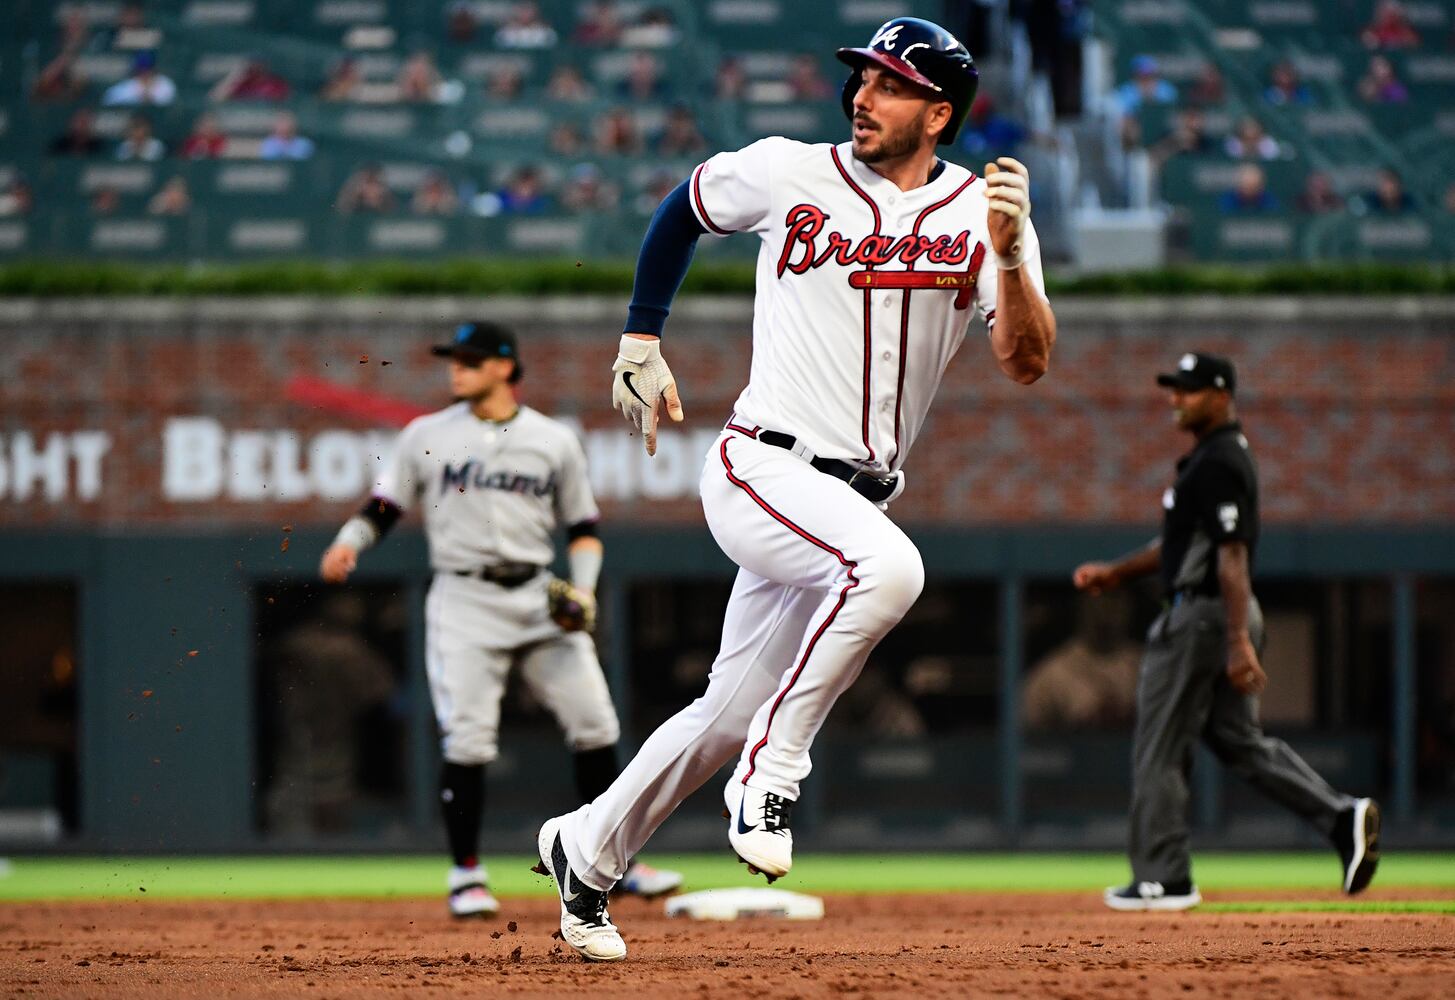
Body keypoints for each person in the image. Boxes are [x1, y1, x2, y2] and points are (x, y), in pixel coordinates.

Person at [532, 16, 1055, 962]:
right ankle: (773, 772)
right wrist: (639, 340)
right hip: (760, 464)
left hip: (850, 498)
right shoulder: (787, 170)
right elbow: (681, 209)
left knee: (722, 715)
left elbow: (1024, 361)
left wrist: (1013, 252)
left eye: (890, 84)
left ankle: (585, 850)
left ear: (938, 113)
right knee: (888, 573)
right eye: (861, 76)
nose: (862, 93)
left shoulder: (981, 215)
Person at [320, 321, 682, 918]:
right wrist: (349, 541)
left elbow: (584, 530)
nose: (456, 368)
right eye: (455, 359)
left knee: (595, 723)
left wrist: (584, 593)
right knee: (468, 737)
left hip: (539, 594)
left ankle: (616, 861)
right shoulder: (425, 435)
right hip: (465, 599)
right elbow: (383, 506)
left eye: (470, 359)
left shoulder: (551, 439)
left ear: (505, 367)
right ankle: (466, 873)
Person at [1072, 351, 1380, 912]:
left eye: (1187, 390)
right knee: (1240, 745)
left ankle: (1164, 879)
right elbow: (1182, 546)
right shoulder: (1207, 460)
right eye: (1174, 389)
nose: (1175, 399)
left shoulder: (1221, 461)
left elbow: (1232, 554)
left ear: (1220, 396)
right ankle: (1341, 818)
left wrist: (1238, 641)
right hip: (1214, 613)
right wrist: (1117, 573)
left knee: (1160, 745)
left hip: (1204, 617)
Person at [102, 51, 176, 106]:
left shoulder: (166, 84)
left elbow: (169, 103)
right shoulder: (126, 87)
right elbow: (109, 99)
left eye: (147, 68)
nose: (144, 72)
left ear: (153, 68)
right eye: (141, 69)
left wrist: (150, 98)